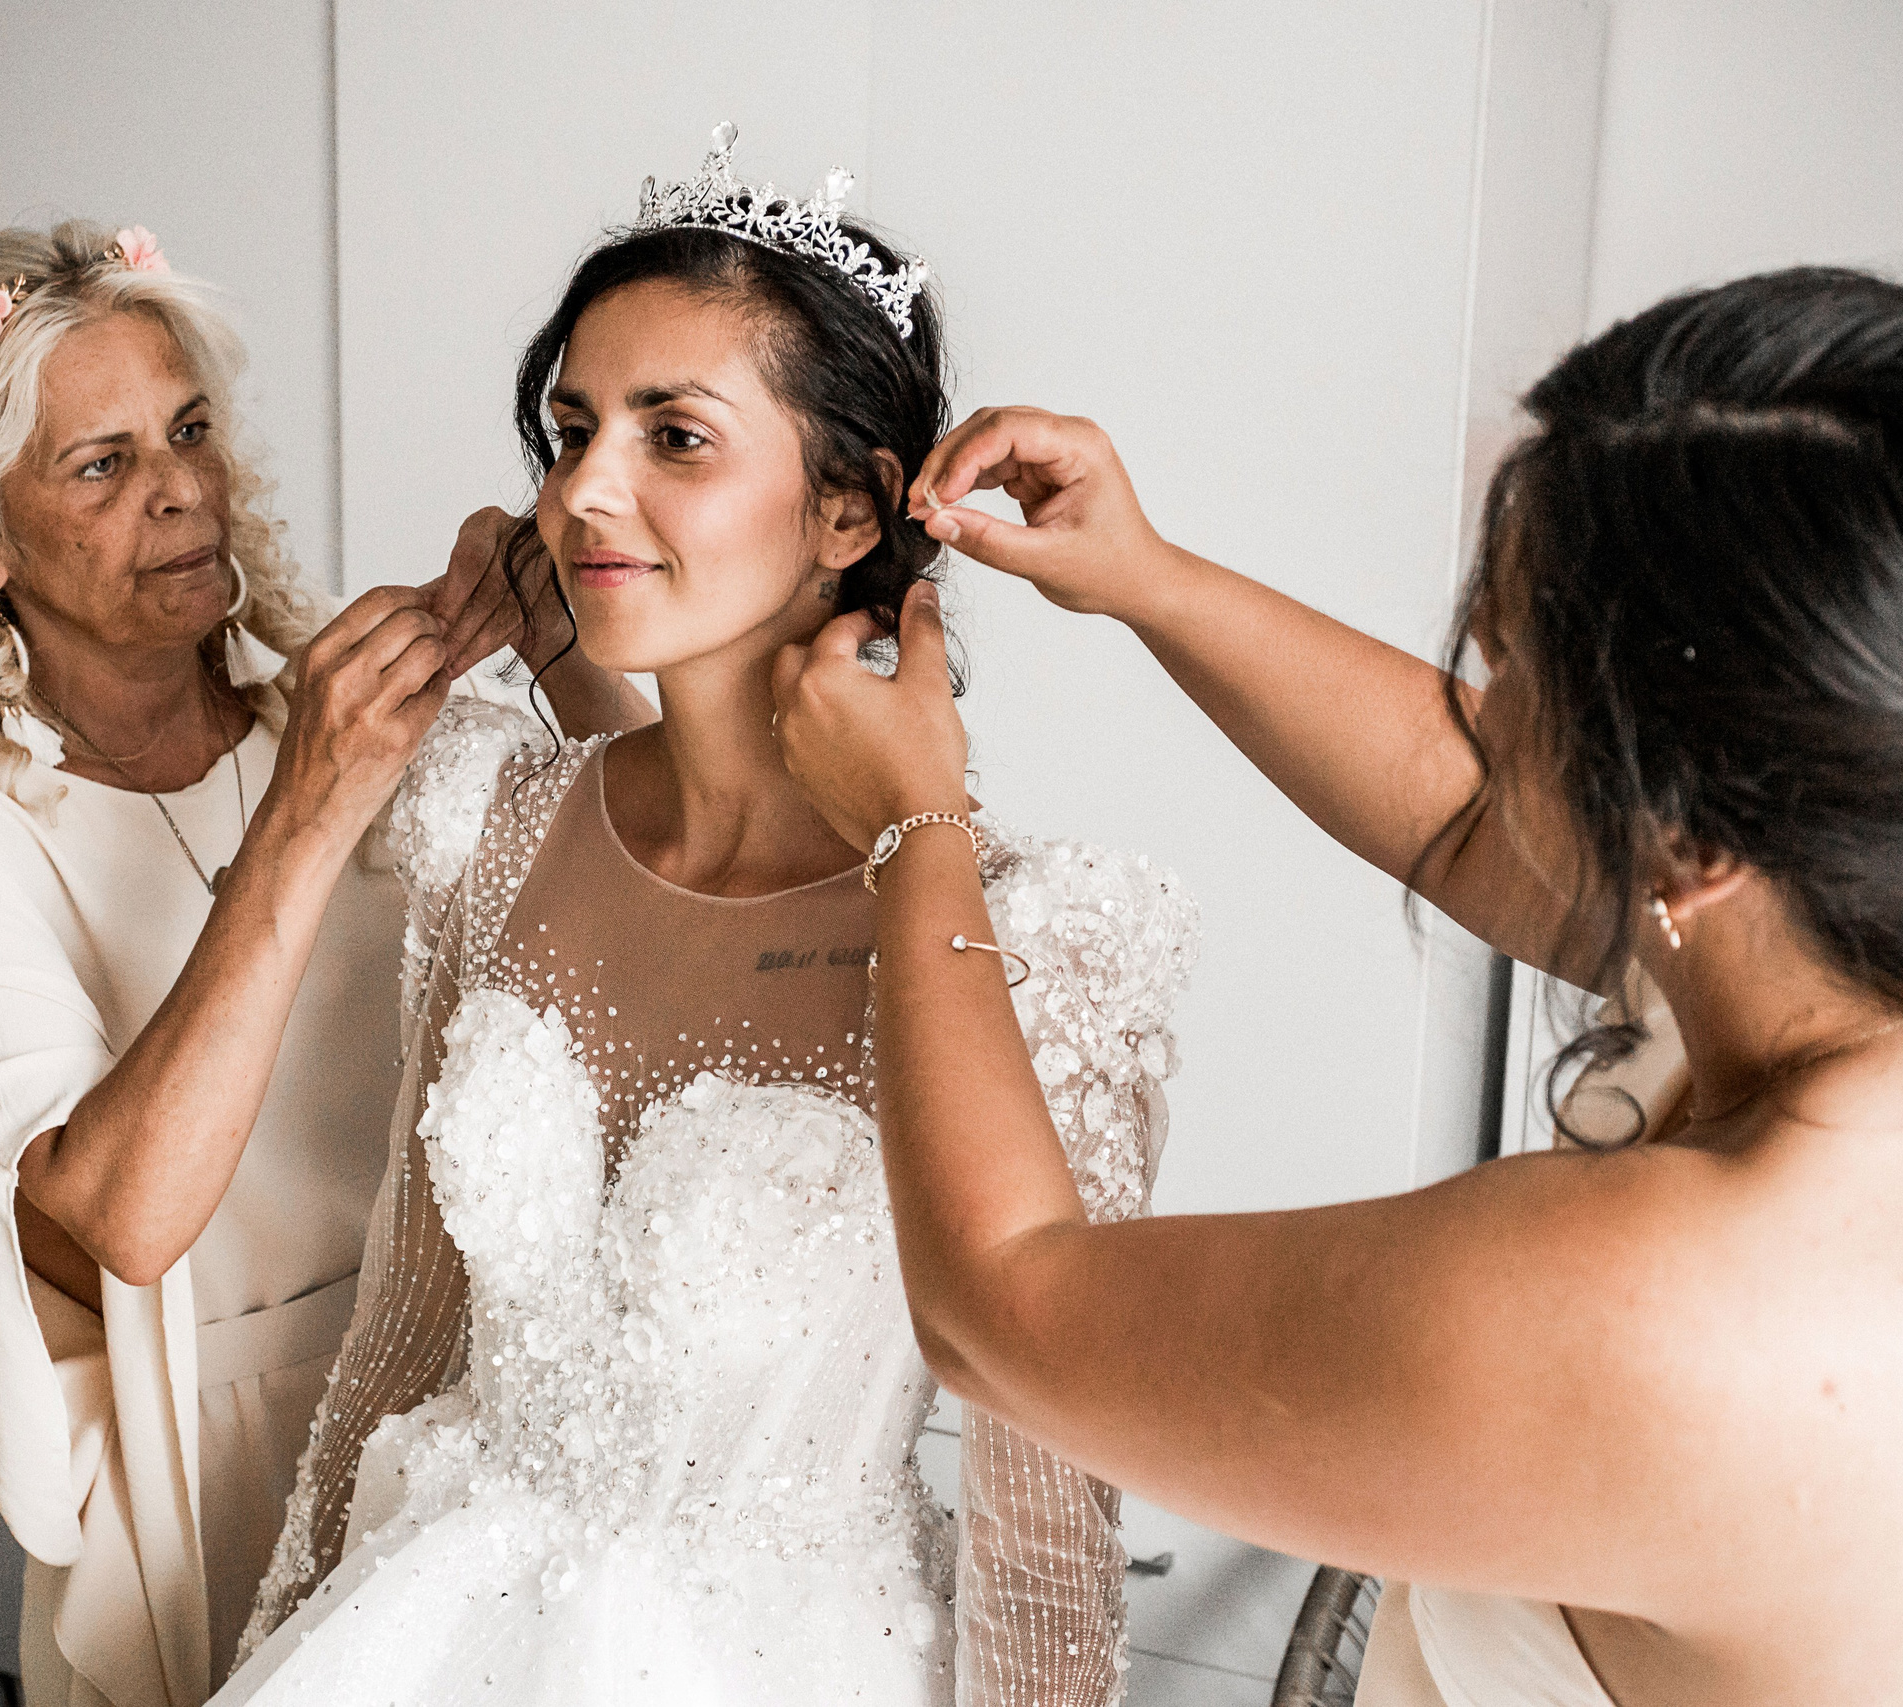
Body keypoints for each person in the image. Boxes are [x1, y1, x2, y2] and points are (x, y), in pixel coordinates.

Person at [773, 269, 1903, 1705]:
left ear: (1690, 841)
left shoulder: (1666, 1318)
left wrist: (912, 827)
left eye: (1508, 666)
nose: (1477, 709)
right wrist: (1150, 577)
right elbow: (1485, 824)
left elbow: (1004, 1315)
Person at [218, 129, 1192, 1707]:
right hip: (427, 1616)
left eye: (677, 436)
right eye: (571, 428)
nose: (582, 492)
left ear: (851, 511)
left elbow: (1044, 1531)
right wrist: (279, 1644)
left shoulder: (1034, 940)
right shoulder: (500, 827)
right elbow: (402, 1337)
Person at [0, 219, 646, 1705]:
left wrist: (560, 648)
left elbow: (671, 884)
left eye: (189, 429)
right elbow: (126, 1218)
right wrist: (310, 807)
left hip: (469, 1394)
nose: (185, 486)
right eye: (104, 463)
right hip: (203, 1456)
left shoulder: (318, 706)